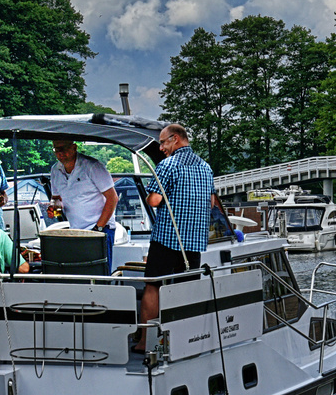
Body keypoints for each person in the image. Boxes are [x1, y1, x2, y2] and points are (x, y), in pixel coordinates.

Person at [136, 123, 213, 351]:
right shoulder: (206, 167)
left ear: (175, 139)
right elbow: (210, 202)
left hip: (168, 237)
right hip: (194, 241)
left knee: (153, 286)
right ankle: (184, 340)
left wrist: (154, 195)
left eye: (162, 142)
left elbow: (154, 201)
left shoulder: (168, 165)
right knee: (185, 288)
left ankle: (145, 342)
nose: (161, 148)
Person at [48, 138, 120, 267]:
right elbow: (56, 198)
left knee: (99, 273)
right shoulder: (55, 170)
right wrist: (55, 209)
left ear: (74, 148)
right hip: (76, 231)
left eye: (64, 148)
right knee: (81, 272)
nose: (60, 153)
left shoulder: (92, 166)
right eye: (57, 149)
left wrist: (98, 228)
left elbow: (113, 198)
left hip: (101, 229)